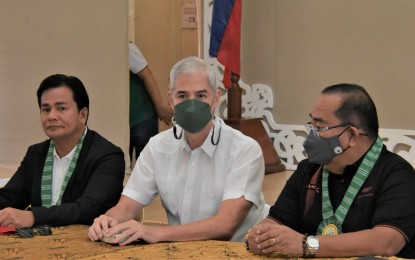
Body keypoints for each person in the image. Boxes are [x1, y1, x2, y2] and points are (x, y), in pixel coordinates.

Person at [88, 56, 268, 245]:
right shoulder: (157, 147)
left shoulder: (245, 149)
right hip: (181, 249)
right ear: (171, 100)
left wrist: (155, 233)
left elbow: (225, 225)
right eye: (182, 96)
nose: (192, 105)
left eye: (201, 96)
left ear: (216, 99)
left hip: (239, 251)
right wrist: (107, 220)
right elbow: (126, 208)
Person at [247, 84, 415, 258]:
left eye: (320, 128)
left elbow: (386, 242)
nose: (311, 136)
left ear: (351, 135)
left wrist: (307, 245)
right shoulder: (308, 168)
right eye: (311, 126)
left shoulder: (397, 175)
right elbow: (276, 221)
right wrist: (261, 235)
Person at [0, 74, 125, 228]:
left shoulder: (107, 155)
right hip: (39, 243)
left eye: (61, 108)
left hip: (87, 245)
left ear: (83, 115)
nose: (52, 116)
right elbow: (9, 198)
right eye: (46, 109)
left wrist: (33, 217)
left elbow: (88, 209)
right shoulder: (35, 153)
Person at [129, 42, 173, 163]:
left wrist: (159, 105)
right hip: (122, 121)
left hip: (142, 116)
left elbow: (146, 74)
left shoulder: (127, 48)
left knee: (146, 163)